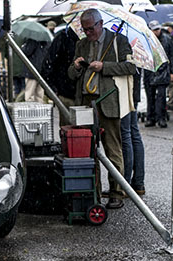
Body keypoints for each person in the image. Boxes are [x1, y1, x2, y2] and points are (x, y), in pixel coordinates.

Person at [68, 8, 136, 209]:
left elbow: (131, 68)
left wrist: (104, 66)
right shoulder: (81, 44)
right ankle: (93, 191)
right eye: (84, 29)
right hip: (86, 102)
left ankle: (117, 192)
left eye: (90, 29)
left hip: (108, 100)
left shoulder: (118, 41)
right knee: (88, 150)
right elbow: (71, 74)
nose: (87, 33)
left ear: (100, 24)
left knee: (112, 148)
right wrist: (77, 67)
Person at [41, 27, 79, 126]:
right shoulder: (64, 38)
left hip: (83, 92)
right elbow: (48, 64)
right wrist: (53, 89)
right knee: (69, 131)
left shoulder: (92, 42)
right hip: (66, 92)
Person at [120, 71, 145, 196]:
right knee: (133, 132)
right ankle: (138, 182)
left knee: (125, 133)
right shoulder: (139, 52)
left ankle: (125, 183)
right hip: (133, 87)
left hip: (125, 88)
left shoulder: (127, 51)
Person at [143, 20, 173, 128]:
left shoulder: (167, 39)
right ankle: (151, 118)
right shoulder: (145, 40)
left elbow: (171, 56)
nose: (157, 31)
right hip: (149, 71)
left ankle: (161, 118)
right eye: (154, 29)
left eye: (158, 29)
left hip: (163, 70)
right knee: (150, 97)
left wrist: (171, 72)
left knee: (161, 97)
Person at [22, 37, 50, 103]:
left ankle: (29, 111)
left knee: (29, 95)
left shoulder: (32, 40)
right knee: (39, 95)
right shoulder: (46, 40)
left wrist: (23, 46)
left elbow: (27, 51)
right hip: (42, 71)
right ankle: (39, 112)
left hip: (32, 70)